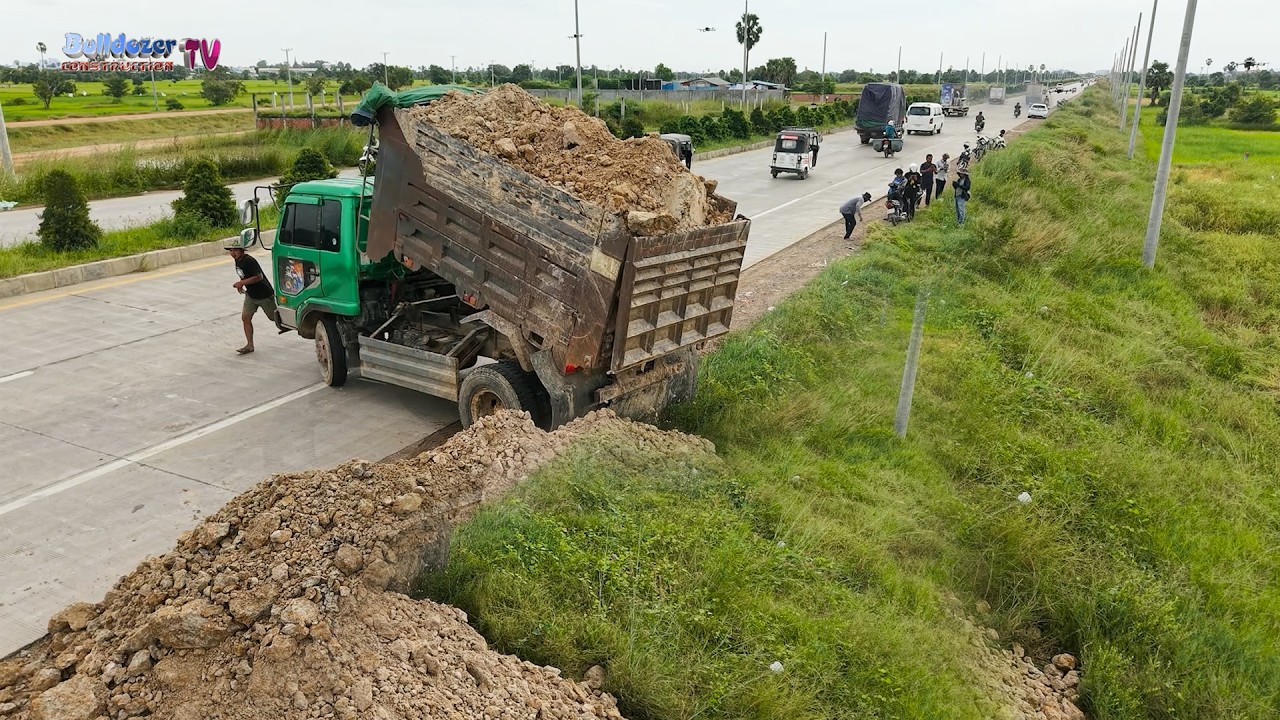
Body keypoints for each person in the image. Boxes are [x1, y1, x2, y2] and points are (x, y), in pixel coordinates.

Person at [226, 237, 286, 355]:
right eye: (231, 251)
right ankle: (249, 345)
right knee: (245, 318)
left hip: (264, 295)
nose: (233, 253)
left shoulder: (249, 261)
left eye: (236, 250)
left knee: (275, 317)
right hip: (251, 295)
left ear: (242, 250)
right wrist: (241, 284)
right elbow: (244, 275)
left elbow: (259, 277)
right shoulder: (238, 261)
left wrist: (241, 283)